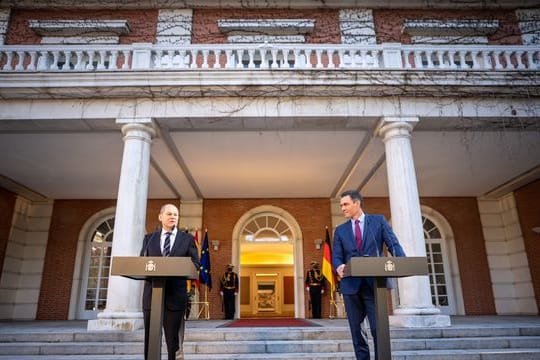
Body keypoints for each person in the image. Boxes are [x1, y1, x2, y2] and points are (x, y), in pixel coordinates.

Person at [332, 190, 406, 360]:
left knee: (377, 329)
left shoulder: (378, 221)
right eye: (341, 205)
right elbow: (337, 255)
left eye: (345, 204)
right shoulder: (340, 230)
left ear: (356, 203)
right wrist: (339, 266)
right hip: (351, 286)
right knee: (357, 332)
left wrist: (401, 261)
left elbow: (393, 244)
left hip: (374, 285)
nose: (342, 208)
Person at [139, 204, 200, 360]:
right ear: (160, 217)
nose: (173, 216)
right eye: (169, 214)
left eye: (175, 214)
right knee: (151, 340)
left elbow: (195, 264)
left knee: (173, 342)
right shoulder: (149, 238)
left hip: (175, 297)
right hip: (152, 297)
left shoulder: (187, 239)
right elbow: (141, 264)